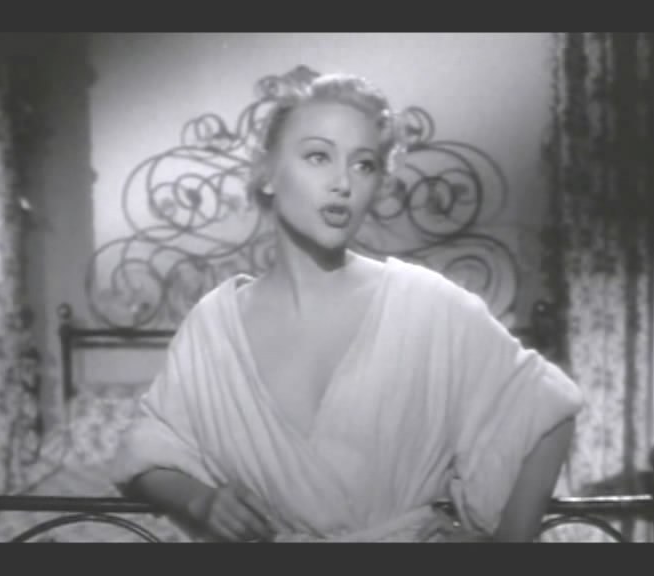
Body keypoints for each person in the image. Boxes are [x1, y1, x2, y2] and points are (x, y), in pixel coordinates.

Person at [110, 70, 583, 543]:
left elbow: (544, 406)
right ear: (268, 174)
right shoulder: (213, 326)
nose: (343, 183)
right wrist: (200, 500)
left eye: (364, 165)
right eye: (318, 156)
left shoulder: (424, 304)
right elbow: (149, 447)